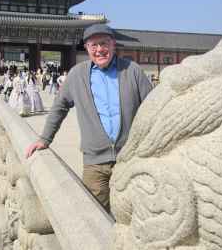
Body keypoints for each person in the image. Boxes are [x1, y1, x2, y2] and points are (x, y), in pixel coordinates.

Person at [25, 24, 152, 211]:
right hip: (95, 163)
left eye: (104, 44)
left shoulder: (132, 70)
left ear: (113, 45)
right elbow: (59, 106)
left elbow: (151, 107)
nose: (99, 49)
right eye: (94, 45)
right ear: (86, 48)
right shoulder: (78, 75)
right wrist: (45, 138)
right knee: (96, 215)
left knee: (134, 213)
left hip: (130, 158)